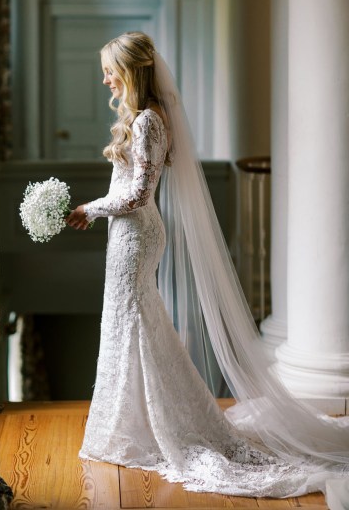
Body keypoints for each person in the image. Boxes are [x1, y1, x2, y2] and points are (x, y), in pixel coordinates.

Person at [66, 32, 349, 497]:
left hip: (136, 234)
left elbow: (138, 193)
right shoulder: (146, 117)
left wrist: (89, 209)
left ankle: (150, 425)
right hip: (130, 235)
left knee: (133, 319)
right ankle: (130, 421)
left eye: (109, 71)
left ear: (131, 71)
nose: (104, 79)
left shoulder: (147, 123)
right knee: (134, 322)